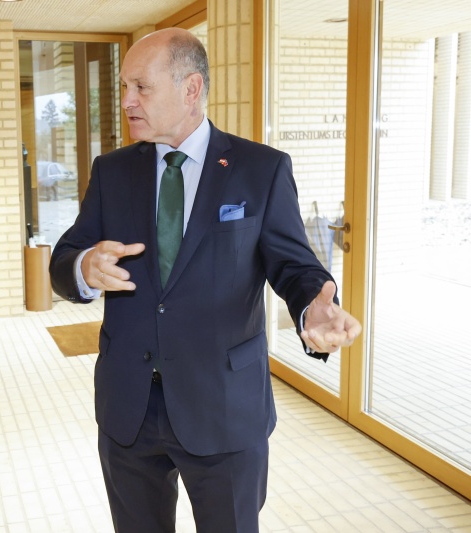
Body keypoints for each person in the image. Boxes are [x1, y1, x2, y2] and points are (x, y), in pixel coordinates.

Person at [49, 28, 361, 532]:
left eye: (141, 88)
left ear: (191, 89)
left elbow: (295, 266)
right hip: (130, 408)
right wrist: (83, 267)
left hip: (224, 408)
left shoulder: (261, 169)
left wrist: (313, 308)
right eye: (124, 87)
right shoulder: (112, 171)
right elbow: (64, 258)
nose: (127, 101)